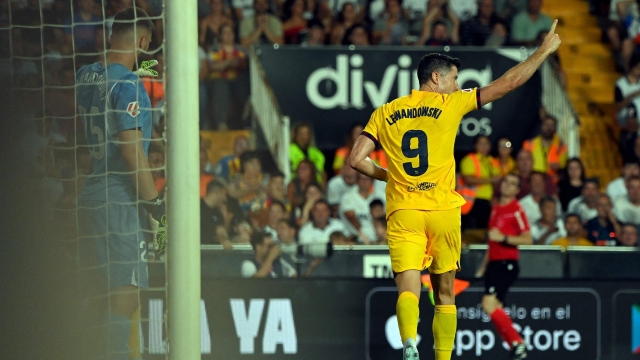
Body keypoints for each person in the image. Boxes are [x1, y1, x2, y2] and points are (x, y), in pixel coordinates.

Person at [348, 21, 561, 360]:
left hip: (404, 211)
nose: (456, 84)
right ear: (437, 78)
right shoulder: (452, 104)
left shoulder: (385, 112)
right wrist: (543, 52)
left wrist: (392, 177)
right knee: (445, 292)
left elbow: (356, 161)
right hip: (444, 211)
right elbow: (508, 83)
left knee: (408, 286)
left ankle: (409, 345)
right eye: (454, 78)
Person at [76, 8, 164, 360]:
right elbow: (131, 151)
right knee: (125, 295)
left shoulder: (84, 75)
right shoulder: (129, 83)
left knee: (98, 294)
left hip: (90, 193)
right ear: (143, 41)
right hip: (118, 199)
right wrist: (154, 204)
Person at [475, 173, 532, 360]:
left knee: (488, 304)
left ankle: (518, 343)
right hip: (494, 264)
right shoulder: (496, 209)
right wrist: (483, 267)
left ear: (517, 190)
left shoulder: (516, 209)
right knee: (495, 306)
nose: (508, 185)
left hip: (506, 263)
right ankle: (515, 346)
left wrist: (504, 238)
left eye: (513, 184)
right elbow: (491, 243)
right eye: (506, 181)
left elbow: (528, 238)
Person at [459, 135, 500, 230]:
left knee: (485, 229)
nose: (484, 146)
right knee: (470, 230)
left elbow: (498, 180)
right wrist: (490, 179)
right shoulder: (470, 159)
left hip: (489, 201)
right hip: (473, 200)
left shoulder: (493, 161)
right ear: (475, 146)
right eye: (481, 143)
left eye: (486, 143)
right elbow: (468, 179)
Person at [522, 115, 567, 183]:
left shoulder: (561, 146)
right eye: (546, 124)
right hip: (533, 181)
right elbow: (522, 163)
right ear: (541, 126)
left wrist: (559, 167)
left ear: (555, 128)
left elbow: (564, 167)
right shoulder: (529, 144)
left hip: (552, 183)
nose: (549, 127)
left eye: (552, 125)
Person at [339, 173, 382, 243]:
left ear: (372, 181)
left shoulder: (379, 196)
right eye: (362, 179)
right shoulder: (348, 197)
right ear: (357, 181)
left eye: (367, 179)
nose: (365, 182)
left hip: (376, 240)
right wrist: (362, 234)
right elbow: (351, 216)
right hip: (354, 239)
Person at [201, 179, 233, 247]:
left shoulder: (218, 213)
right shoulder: (197, 207)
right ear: (217, 192)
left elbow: (221, 233)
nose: (225, 198)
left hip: (213, 253)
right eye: (224, 194)